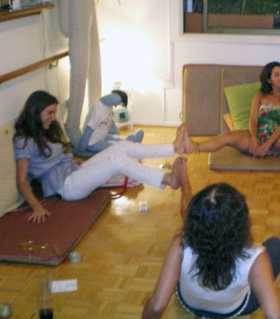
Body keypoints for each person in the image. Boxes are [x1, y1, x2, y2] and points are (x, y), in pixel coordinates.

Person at [135, 158, 280, 319]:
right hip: (236, 309)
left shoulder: (180, 243)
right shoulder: (255, 256)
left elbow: (156, 307)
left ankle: (185, 185)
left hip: (188, 304)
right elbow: (275, 318)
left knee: (199, 223)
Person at [13, 91, 187, 224]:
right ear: (34, 111)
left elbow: (61, 157)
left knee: (122, 146)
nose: (53, 117)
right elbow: (21, 181)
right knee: (116, 161)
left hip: (75, 172)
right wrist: (36, 207)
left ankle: (173, 147)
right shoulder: (24, 141)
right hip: (66, 187)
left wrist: (80, 163)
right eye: (49, 113)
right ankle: (167, 179)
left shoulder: (46, 130)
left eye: (54, 113)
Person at [183, 61, 280, 158]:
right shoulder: (259, 96)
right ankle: (195, 147)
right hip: (257, 137)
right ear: (269, 80)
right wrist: (254, 140)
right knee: (227, 136)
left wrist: (267, 145)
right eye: (277, 74)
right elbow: (252, 119)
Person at [55, 0, 102, 147]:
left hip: (89, 14)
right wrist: (64, 23)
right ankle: (72, 124)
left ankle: (96, 120)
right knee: (79, 73)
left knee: (94, 68)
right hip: (77, 19)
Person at [77, 90, 144, 152]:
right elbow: (88, 129)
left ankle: (132, 140)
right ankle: (130, 146)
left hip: (103, 137)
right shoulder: (98, 110)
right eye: (118, 103)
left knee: (119, 139)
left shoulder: (109, 107)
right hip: (93, 143)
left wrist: (116, 133)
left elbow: (110, 122)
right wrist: (82, 147)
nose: (116, 105)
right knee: (116, 146)